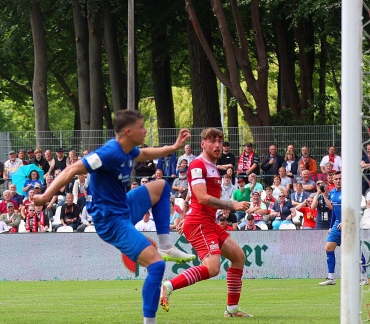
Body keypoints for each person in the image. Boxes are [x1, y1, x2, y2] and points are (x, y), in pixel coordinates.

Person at [33, 110, 195, 324]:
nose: (145, 130)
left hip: (124, 206)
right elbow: (71, 169)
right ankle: (149, 322)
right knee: (156, 266)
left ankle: (165, 244)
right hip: (110, 221)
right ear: (128, 131)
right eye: (141, 126)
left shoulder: (130, 150)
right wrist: (45, 195)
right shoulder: (108, 153)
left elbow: (145, 155)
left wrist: (173, 148)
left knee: (162, 187)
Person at [160, 127, 253, 318]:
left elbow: (190, 196)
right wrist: (232, 205)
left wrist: (184, 215)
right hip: (200, 223)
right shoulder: (197, 165)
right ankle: (167, 286)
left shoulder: (212, 167)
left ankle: (232, 310)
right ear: (203, 144)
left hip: (206, 221)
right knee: (212, 268)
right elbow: (202, 198)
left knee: (238, 257)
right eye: (212, 141)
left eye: (220, 141)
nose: (217, 144)